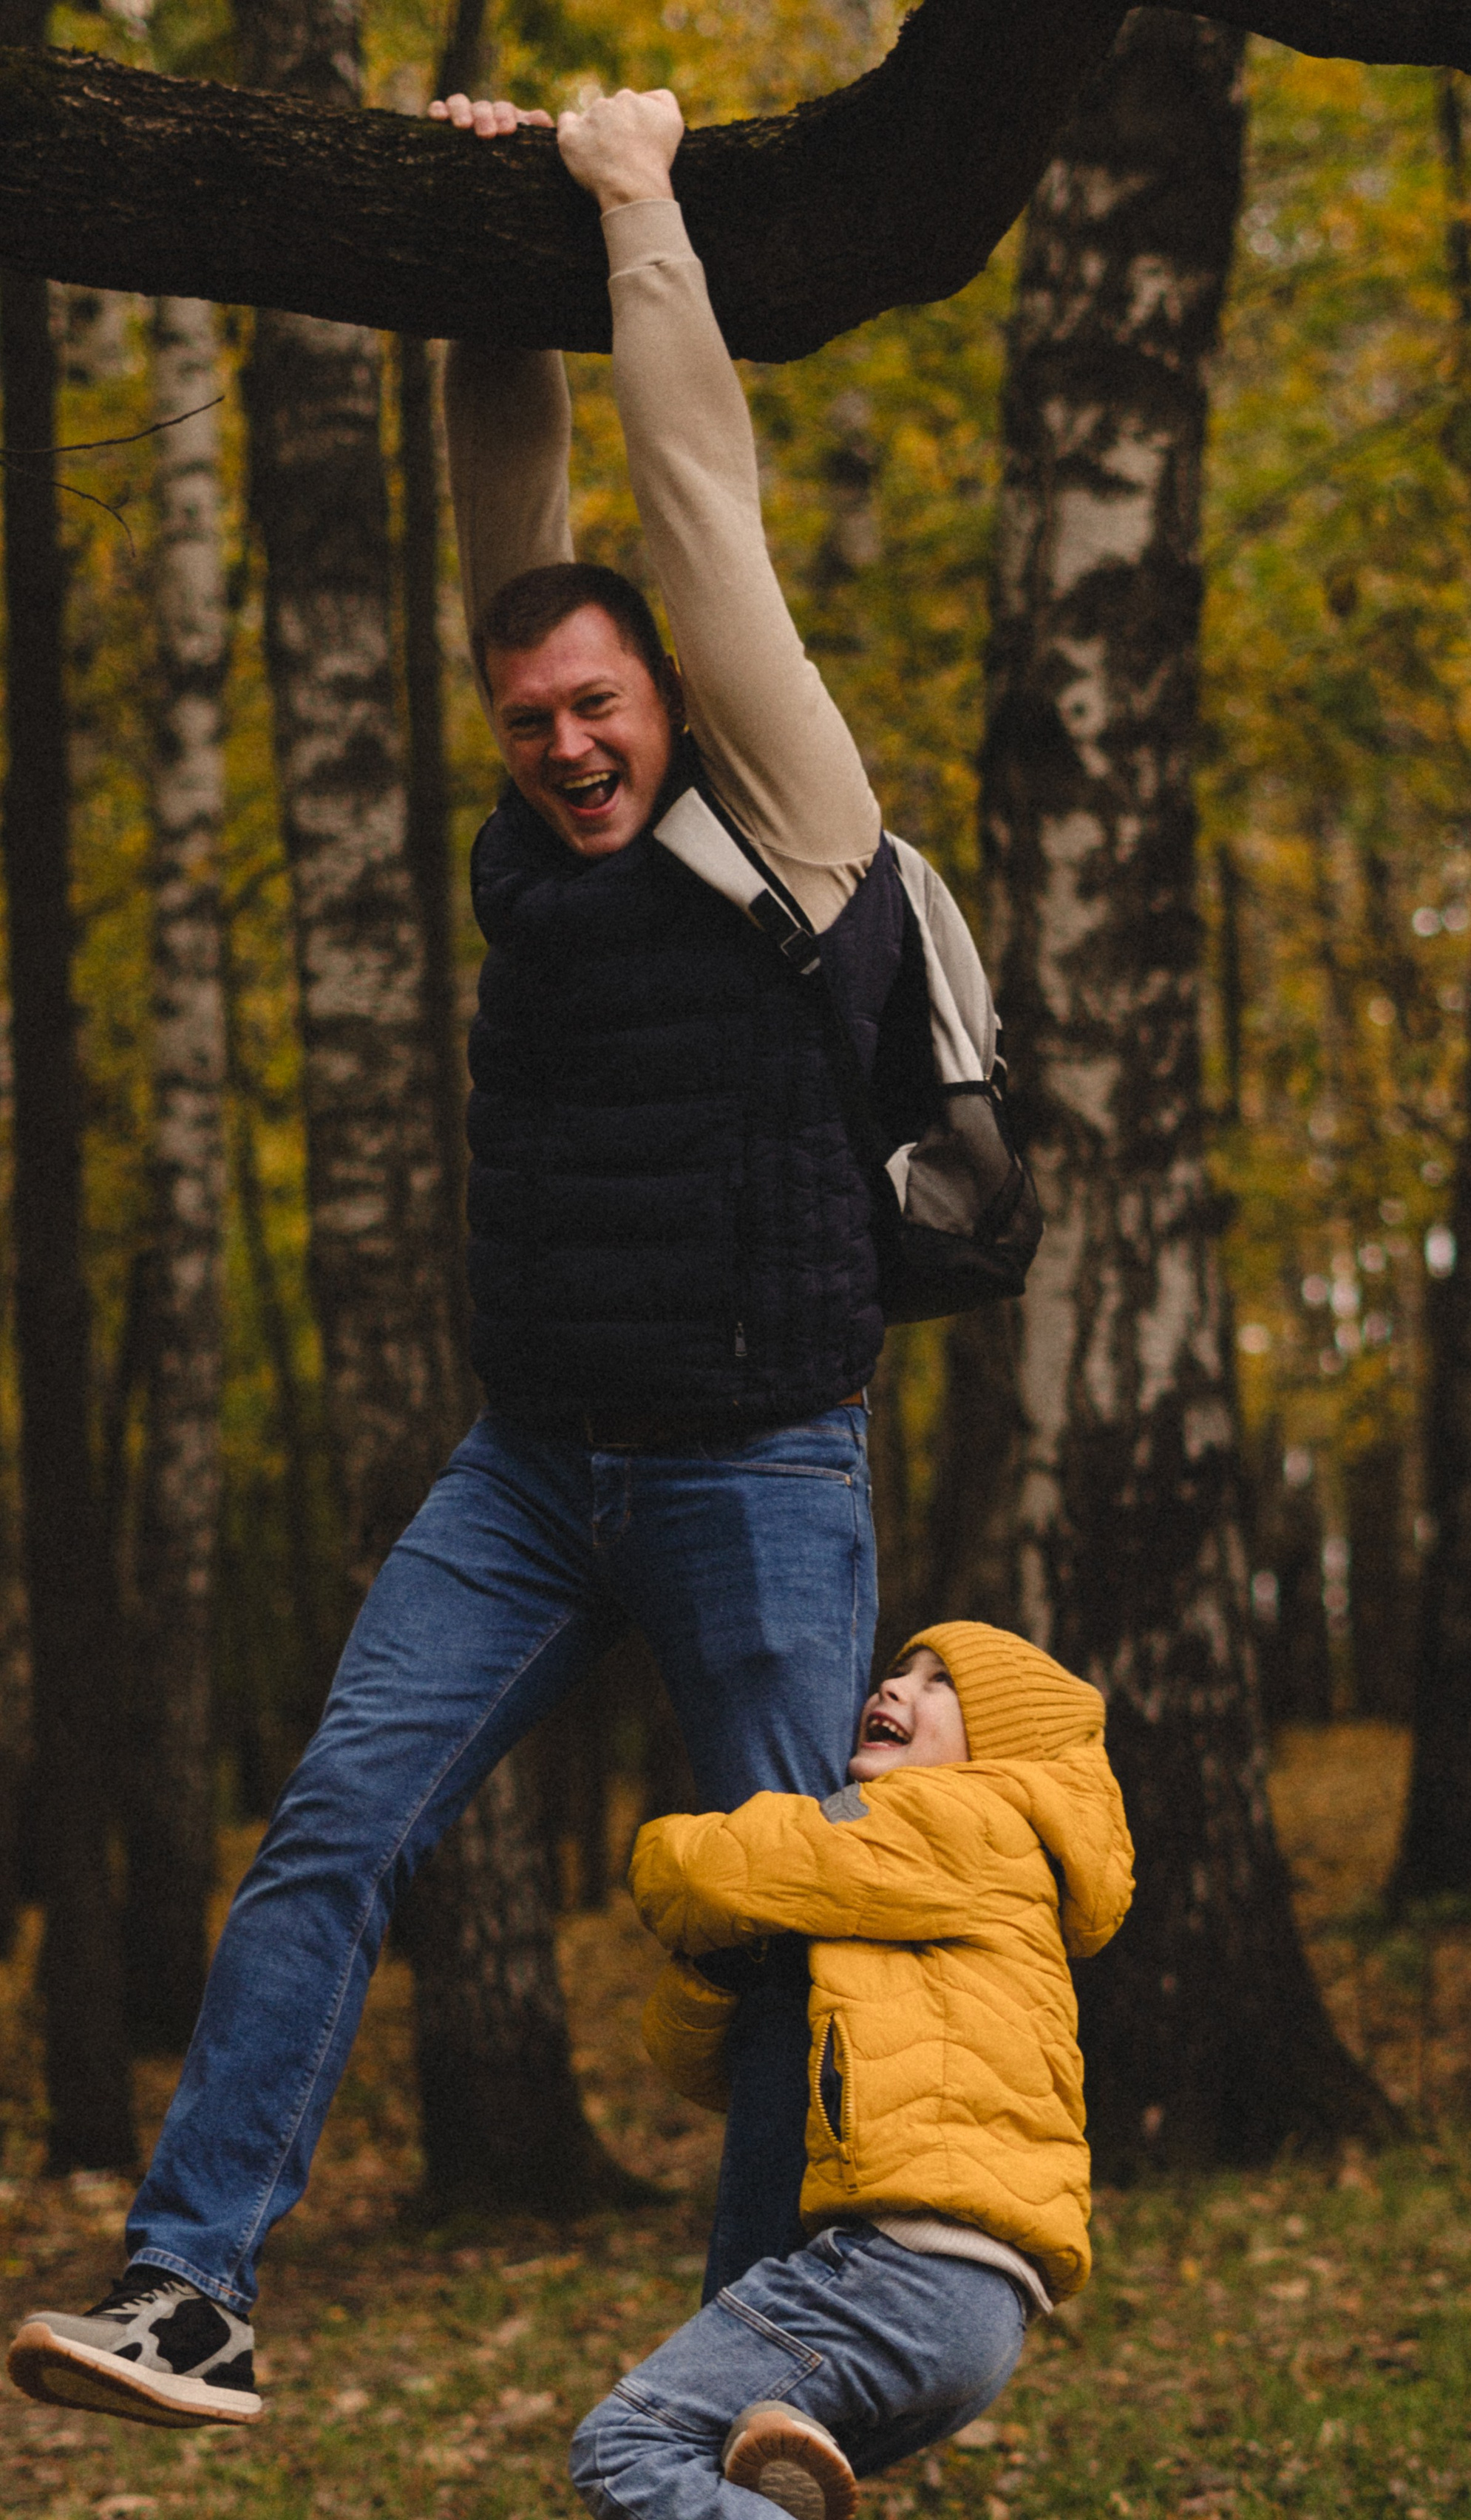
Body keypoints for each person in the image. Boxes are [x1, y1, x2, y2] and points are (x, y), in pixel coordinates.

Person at [8, 85, 923, 2431]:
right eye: (528, 716)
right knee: (333, 1818)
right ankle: (190, 2286)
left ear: (674, 700)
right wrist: (479, 249)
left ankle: (762, 2360)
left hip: (757, 1461)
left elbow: (690, 508)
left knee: (778, 1927)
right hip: (536, 1463)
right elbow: (505, 528)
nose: (562, 740)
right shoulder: (540, 818)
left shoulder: (786, 801)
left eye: (599, 703)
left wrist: (627, 203)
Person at [566, 1620, 1135, 2520]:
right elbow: (701, 2065)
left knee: (629, 2444)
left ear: (1002, 1746)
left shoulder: (971, 1820)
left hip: (903, 2265)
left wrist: (662, 1855)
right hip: (976, 2313)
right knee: (728, 2469)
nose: (894, 1689)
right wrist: (724, 1968)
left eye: (940, 1682)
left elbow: (716, 1868)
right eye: (895, 1670)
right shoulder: (887, 1888)